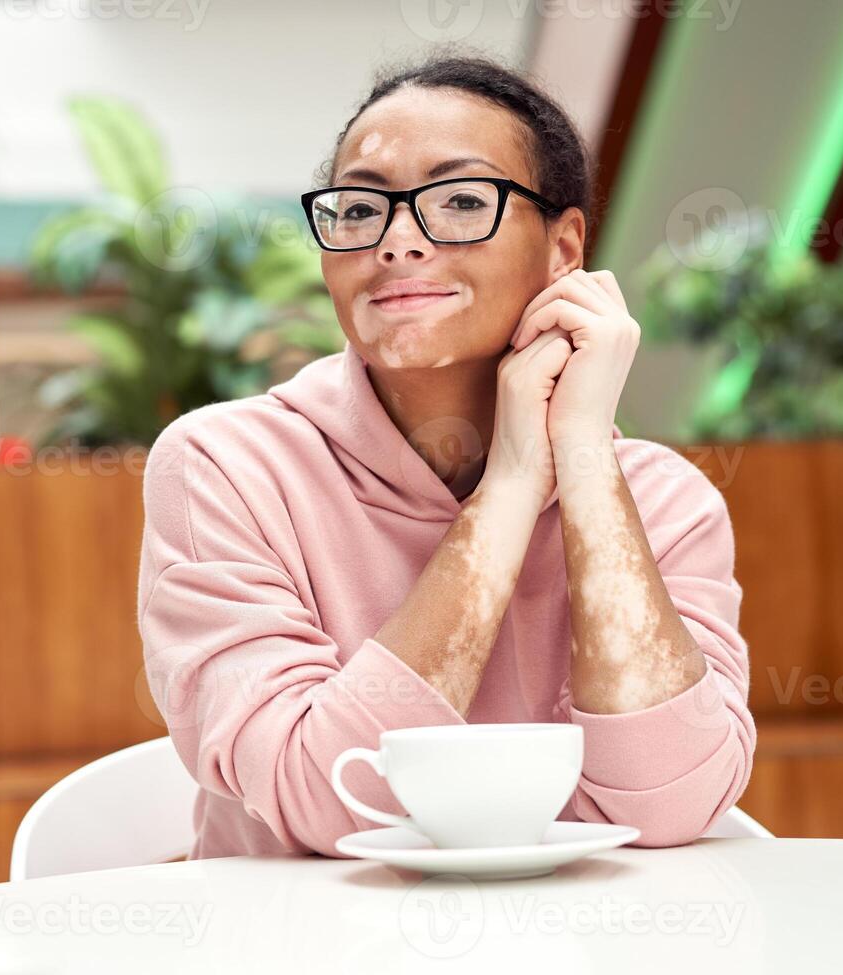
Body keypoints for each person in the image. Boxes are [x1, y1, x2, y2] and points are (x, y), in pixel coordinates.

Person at [136, 54, 755, 860]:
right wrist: (508, 490)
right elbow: (328, 801)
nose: (396, 242)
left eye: (461, 199)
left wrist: (580, 460)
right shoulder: (226, 467)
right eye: (360, 208)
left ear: (564, 247)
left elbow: (673, 803)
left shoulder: (663, 501)